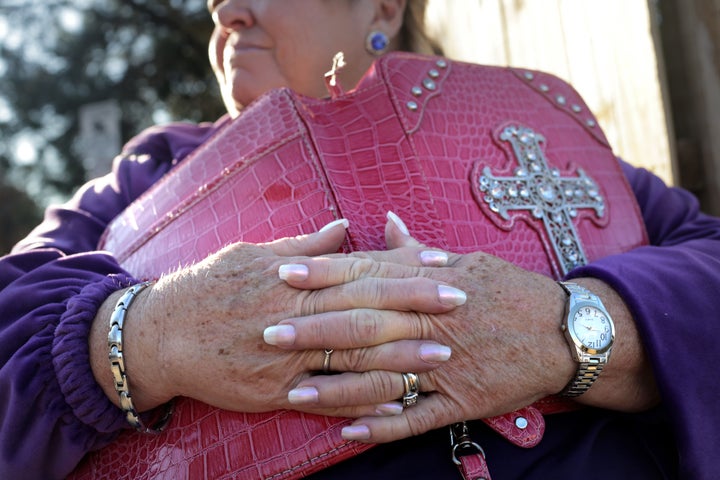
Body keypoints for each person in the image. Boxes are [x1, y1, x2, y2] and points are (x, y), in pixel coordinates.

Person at [1, 0, 719, 479]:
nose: (225, 9)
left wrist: (574, 329)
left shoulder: (528, 122)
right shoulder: (146, 176)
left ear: (378, 6)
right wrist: (144, 337)